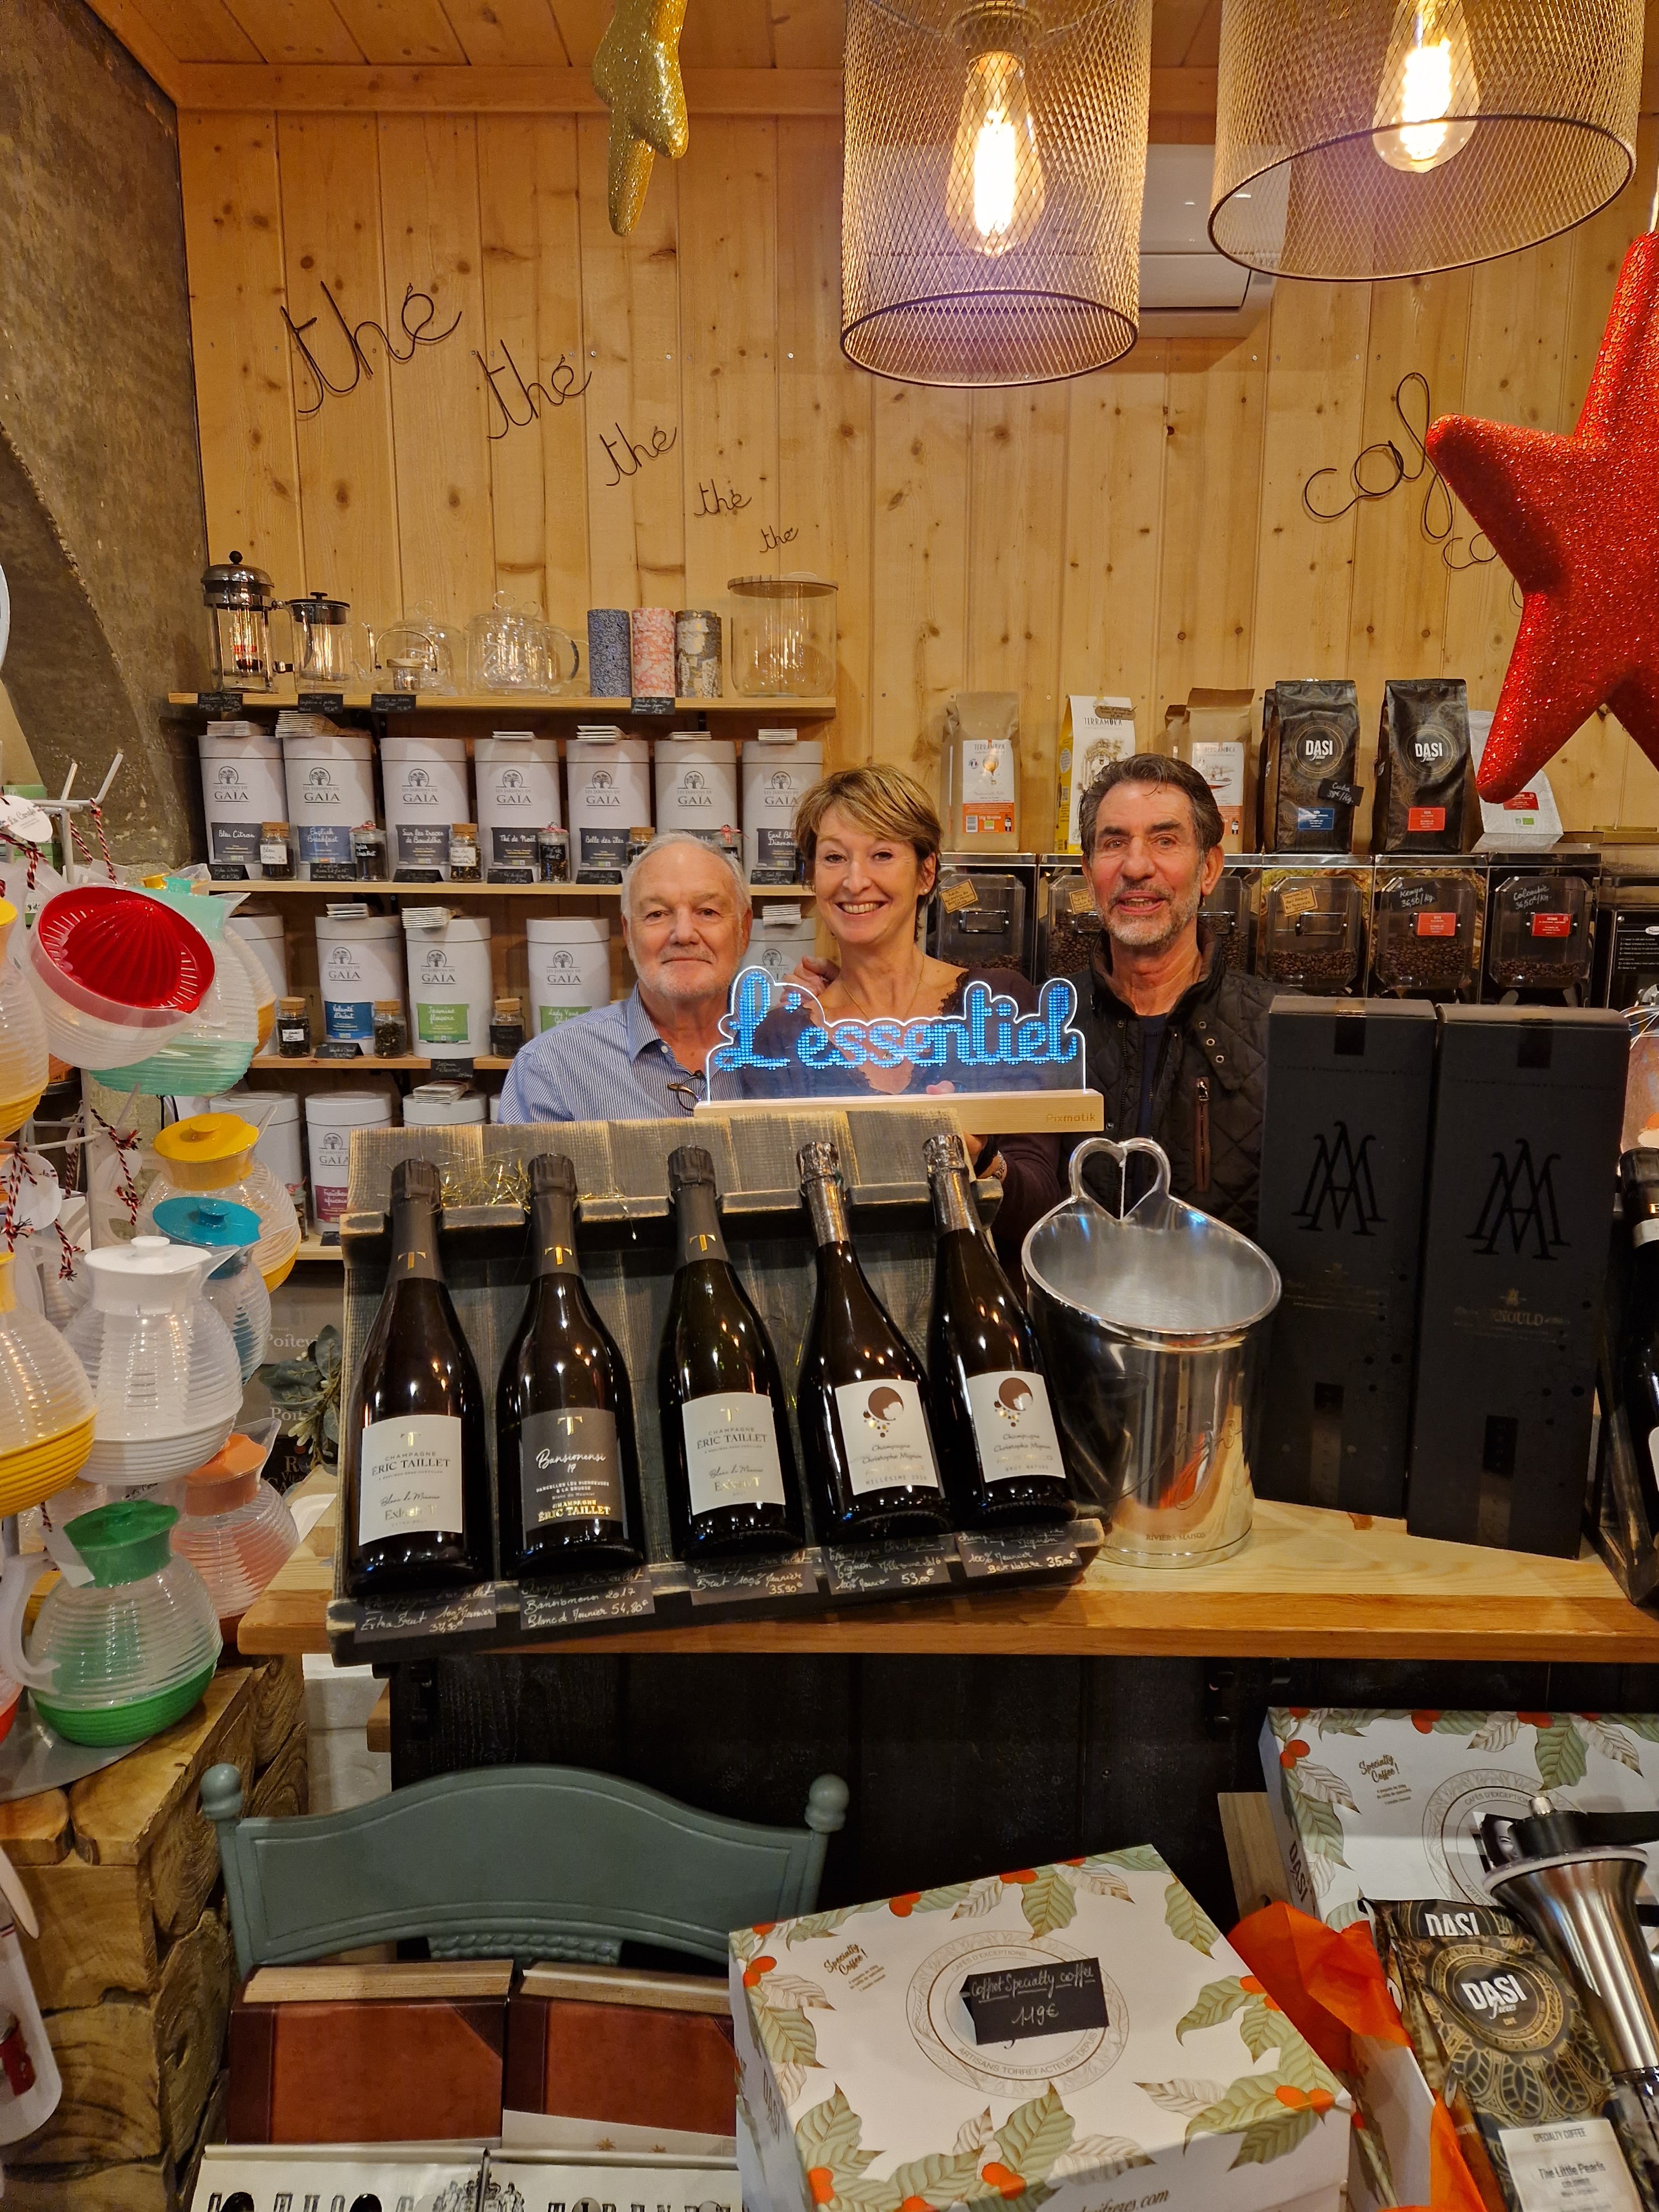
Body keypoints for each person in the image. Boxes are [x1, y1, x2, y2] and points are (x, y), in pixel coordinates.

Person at [770, 765, 1062, 1268]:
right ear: (813, 877)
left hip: (981, 1306)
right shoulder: (780, 1037)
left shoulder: (1000, 1004)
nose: (855, 881)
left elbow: (1041, 1211)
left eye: (882, 855)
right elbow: (778, 1224)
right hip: (840, 1307)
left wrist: (983, 1160)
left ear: (926, 873)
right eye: (834, 857)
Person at [1072, 752, 1272, 1231]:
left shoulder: (1282, 1032)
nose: (1136, 866)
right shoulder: (1043, 1026)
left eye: (1165, 840)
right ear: (1089, 872)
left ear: (1209, 870)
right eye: (1114, 843)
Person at [499, 831, 751, 1122]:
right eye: (657, 914)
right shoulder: (549, 1067)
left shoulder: (790, 1047)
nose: (683, 934)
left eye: (707, 912)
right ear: (629, 934)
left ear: (743, 930)